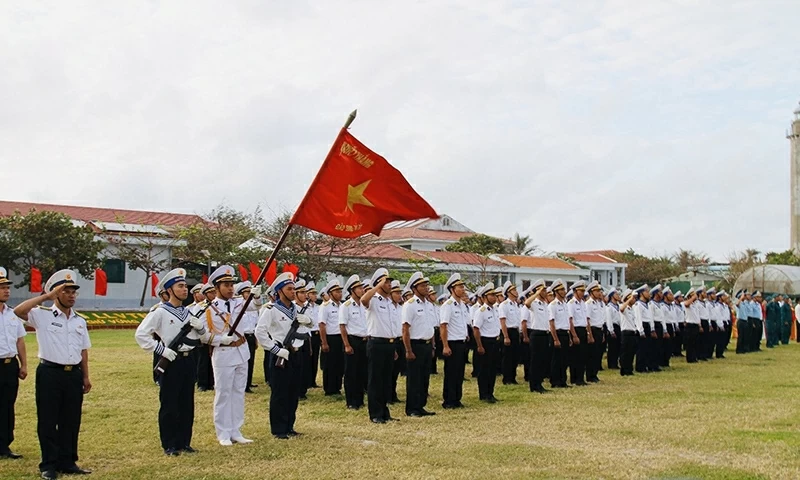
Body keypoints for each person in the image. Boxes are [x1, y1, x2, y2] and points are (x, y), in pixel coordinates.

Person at [14, 269, 92, 479]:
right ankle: (48, 464)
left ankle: (68, 461)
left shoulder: (79, 321)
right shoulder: (42, 315)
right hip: (50, 373)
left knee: (71, 420)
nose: (71, 295)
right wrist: (46, 297)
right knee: (48, 420)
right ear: (56, 293)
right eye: (66, 291)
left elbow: (83, 350)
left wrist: (85, 376)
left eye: (73, 291)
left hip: (73, 374)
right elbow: (18, 311)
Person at [135, 268, 208, 456]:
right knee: (169, 404)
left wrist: (200, 330)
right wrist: (162, 350)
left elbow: (204, 337)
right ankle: (169, 444)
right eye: (180, 286)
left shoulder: (189, 312)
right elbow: (141, 334)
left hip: (188, 359)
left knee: (186, 403)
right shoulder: (160, 312)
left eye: (185, 286)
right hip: (171, 361)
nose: (185, 290)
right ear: (169, 290)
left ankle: (184, 441)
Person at [255, 272, 313, 439]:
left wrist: (308, 321)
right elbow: (260, 331)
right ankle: (278, 429)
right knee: (280, 392)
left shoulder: (297, 309)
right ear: (280, 291)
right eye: (289, 289)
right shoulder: (271, 309)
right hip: (281, 353)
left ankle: (289, 425)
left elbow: (307, 327)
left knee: (293, 391)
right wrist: (275, 349)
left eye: (294, 289)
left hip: (296, 353)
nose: (293, 292)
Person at [202, 266, 252, 446]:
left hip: (242, 351)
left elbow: (256, 307)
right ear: (216, 288)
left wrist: (256, 295)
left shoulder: (240, 303)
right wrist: (219, 340)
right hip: (223, 354)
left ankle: (236, 430)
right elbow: (202, 334)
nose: (231, 288)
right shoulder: (209, 308)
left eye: (232, 284)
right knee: (223, 393)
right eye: (226, 285)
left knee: (238, 392)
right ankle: (223, 433)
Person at [361, 268, 401, 424]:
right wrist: (377, 286)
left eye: (390, 282)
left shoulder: (390, 303)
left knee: (386, 380)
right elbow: (364, 300)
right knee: (375, 380)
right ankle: (375, 413)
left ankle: (385, 412)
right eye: (387, 282)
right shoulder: (374, 300)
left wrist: (394, 347)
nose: (390, 285)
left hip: (389, 344)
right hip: (376, 343)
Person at [0, 267, 26, 460]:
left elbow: (20, 340)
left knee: (8, 405)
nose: (7, 291)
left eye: (8, 287)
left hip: (10, 366)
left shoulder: (12, 314)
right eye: (2, 287)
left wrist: (23, 364)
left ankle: (4, 445)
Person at [401, 272, 436, 417]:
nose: (426, 288)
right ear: (414, 288)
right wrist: (408, 350)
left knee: (424, 378)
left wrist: (433, 345)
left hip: (427, 344)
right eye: (422, 286)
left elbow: (431, 327)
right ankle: (412, 408)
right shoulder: (410, 305)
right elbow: (405, 329)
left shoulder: (429, 305)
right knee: (414, 378)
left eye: (426, 285)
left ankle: (421, 405)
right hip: (415, 344)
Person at [440, 273, 469, 407]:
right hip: (452, 343)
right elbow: (444, 326)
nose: (463, 289)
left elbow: (463, 323)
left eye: (463, 287)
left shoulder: (463, 305)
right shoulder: (448, 305)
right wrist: (445, 345)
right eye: (460, 287)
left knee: (459, 373)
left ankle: (457, 398)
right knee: (451, 373)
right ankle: (449, 400)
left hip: (462, 342)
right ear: (452, 289)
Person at [339, 275, 368, 410]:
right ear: (352, 290)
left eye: (362, 287)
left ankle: (360, 399)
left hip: (365, 341)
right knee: (351, 372)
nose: (362, 290)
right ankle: (351, 401)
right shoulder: (346, 306)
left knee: (362, 371)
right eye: (359, 288)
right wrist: (346, 345)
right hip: (352, 340)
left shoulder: (365, 304)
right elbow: (342, 326)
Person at [473, 283, 501, 402]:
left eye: (495, 295)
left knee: (493, 369)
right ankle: (484, 394)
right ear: (484, 297)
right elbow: (476, 329)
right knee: (484, 369)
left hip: (495, 341)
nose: (494, 297)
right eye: (491, 295)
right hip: (485, 341)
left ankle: (491, 393)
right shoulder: (481, 311)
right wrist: (479, 345)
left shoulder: (495, 309)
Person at [318, 280, 344, 396]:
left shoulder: (342, 306)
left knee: (339, 364)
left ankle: (337, 387)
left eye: (340, 291)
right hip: (330, 338)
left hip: (341, 338)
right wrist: (324, 342)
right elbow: (322, 325)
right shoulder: (325, 306)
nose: (340, 294)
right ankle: (329, 388)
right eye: (337, 292)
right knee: (330, 364)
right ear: (330, 293)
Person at [234, 282, 261, 394]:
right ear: (241, 294)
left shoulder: (252, 307)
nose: (249, 294)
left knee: (251, 361)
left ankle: (248, 383)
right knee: (242, 361)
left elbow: (257, 305)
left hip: (251, 336)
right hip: (241, 337)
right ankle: (241, 384)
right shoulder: (238, 305)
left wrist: (257, 296)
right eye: (247, 292)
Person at [523, 279, 550, 393]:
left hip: (545, 334)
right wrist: (536, 293)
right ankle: (534, 385)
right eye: (543, 291)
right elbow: (527, 303)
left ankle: (539, 383)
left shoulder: (545, 304)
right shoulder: (534, 303)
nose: (545, 293)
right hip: (536, 334)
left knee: (542, 360)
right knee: (535, 361)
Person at [548, 280, 573, 388]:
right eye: (561, 290)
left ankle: (563, 380)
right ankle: (555, 381)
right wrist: (555, 339)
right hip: (557, 333)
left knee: (565, 359)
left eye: (564, 289)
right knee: (556, 359)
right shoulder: (552, 305)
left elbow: (567, 321)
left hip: (565, 333)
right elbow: (551, 323)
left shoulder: (565, 304)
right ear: (556, 292)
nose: (564, 291)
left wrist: (570, 336)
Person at [567, 280, 591, 385]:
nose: (583, 293)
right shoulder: (571, 304)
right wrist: (574, 335)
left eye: (583, 290)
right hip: (575, 330)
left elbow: (586, 320)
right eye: (581, 291)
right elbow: (570, 320)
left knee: (583, 355)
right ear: (575, 291)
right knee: (575, 356)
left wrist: (588, 333)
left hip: (583, 330)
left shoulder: (583, 303)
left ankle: (581, 378)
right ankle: (575, 378)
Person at [498, 281, 521, 385]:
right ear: (508, 292)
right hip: (508, 332)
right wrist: (506, 336)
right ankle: (507, 378)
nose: (516, 292)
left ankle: (513, 377)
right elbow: (503, 321)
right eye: (514, 290)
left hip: (515, 332)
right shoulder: (504, 305)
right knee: (507, 357)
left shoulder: (516, 305)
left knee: (515, 356)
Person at [194, 283, 216, 392]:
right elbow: (197, 321)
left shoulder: (217, 305)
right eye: (211, 293)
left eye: (214, 292)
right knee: (203, 361)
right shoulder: (199, 306)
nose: (214, 295)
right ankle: (202, 383)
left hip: (215, 337)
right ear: (206, 294)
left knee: (213, 361)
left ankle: (211, 382)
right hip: (203, 336)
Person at [389, 280, 406, 404]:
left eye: (400, 293)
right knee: (389, 371)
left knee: (396, 371)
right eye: (397, 293)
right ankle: (388, 396)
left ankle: (393, 394)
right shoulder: (387, 307)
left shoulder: (402, 308)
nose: (399, 295)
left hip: (401, 340)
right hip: (391, 340)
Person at [585, 281, 605, 382]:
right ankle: (590, 375)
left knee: (598, 353)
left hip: (599, 329)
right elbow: (587, 320)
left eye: (599, 291)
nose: (599, 293)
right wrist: (589, 334)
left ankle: (595, 373)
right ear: (591, 292)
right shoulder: (588, 304)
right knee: (591, 354)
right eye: (596, 291)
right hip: (592, 329)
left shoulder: (599, 303)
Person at [634, 285, 657, 372]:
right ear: (641, 293)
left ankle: (647, 365)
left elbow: (650, 318)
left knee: (648, 348)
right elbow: (638, 318)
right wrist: (641, 331)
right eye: (646, 292)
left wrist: (652, 329)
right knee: (641, 348)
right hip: (642, 326)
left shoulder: (647, 304)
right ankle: (640, 367)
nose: (648, 294)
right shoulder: (638, 304)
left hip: (647, 325)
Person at [618, 289, 640, 376]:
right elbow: (622, 309)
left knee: (631, 352)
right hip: (626, 333)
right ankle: (624, 369)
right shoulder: (624, 307)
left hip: (632, 332)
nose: (634, 300)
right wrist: (629, 300)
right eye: (633, 298)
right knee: (625, 353)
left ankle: (629, 369)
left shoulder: (632, 308)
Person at [305, 282, 321, 389]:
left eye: (315, 293)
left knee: (315, 358)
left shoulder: (318, 307)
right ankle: (306, 381)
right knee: (307, 359)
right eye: (312, 293)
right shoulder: (304, 307)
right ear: (308, 294)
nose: (315, 295)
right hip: (308, 335)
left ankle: (313, 381)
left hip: (317, 334)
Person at [682, 288, 702, 363]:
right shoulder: (688, 303)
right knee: (690, 343)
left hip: (695, 325)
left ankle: (694, 357)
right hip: (690, 325)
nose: (696, 296)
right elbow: (686, 304)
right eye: (694, 294)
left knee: (695, 343)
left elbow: (697, 316)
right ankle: (690, 358)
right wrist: (692, 298)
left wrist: (699, 325)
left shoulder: (695, 305)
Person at [604, 288, 621, 370]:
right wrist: (611, 330)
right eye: (616, 294)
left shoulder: (618, 306)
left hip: (619, 327)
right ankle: (611, 363)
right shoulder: (609, 307)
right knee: (612, 347)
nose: (618, 296)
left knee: (617, 346)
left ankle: (615, 362)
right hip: (613, 327)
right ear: (612, 296)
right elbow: (609, 319)